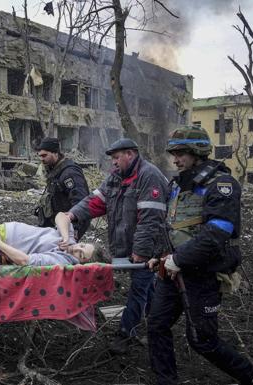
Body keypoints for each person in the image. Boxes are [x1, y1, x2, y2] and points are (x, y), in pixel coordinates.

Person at [147, 126, 253, 385]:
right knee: (156, 325)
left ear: (198, 152)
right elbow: (172, 225)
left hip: (203, 275)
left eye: (181, 154)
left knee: (202, 341)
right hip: (173, 272)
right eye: (174, 154)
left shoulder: (221, 185)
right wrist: (160, 255)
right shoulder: (178, 184)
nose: (175, 160)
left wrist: (178, 259)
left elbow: (217, 233)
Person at [63, 138, 169, 354]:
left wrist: (140, 252)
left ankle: (125, 333)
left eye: (117, 157)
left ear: (130, 154)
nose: (113, 162)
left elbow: (150, 220)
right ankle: (157, 326)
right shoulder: (115, 178)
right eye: (112, 158)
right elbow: (94, 202)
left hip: (149, 248)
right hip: (128, 247)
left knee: (139, 289)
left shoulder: (149, 176)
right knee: (147, 288)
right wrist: (72, 214)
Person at [33, 137, 90, 240]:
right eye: (40, 156)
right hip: (56, 224)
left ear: (55, 153)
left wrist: (74, 229)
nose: (41, 159)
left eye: (44, 155)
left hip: (68, 225)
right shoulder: (54, 170)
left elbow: (81, 202)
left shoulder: (69, 173)